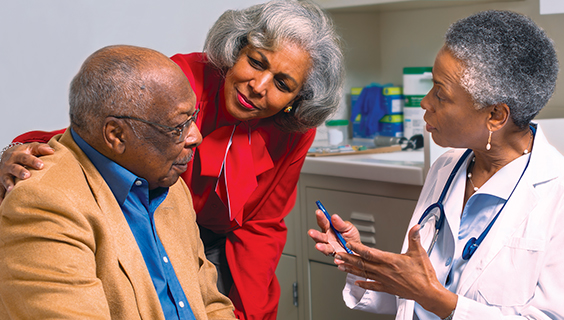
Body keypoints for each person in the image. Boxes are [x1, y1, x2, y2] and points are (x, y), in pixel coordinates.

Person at [0, 1, 345, 318]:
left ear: (296, 99)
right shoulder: (179, 79)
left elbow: (262, 225)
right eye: (256, 62)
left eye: (283, 83)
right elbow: (106, 134)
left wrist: (251, 313)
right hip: (152, 228)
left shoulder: (294, 128)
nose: (259, 86)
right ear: (237, 49)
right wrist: (18, 149)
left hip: (208, 248)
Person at [309, 10, 563, 319]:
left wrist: (435, 298)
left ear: (495, 116)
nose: (425, 102)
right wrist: (363, 260)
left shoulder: (556, 194)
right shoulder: (446, 167)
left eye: (441, 94)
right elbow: (412, 297)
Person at [0, 45, 236, 319]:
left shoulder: (168, 182)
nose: (196, 136)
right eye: (178, 127)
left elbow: (211, 304)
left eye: (193, 118)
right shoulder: (43, 203)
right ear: (116, 135)